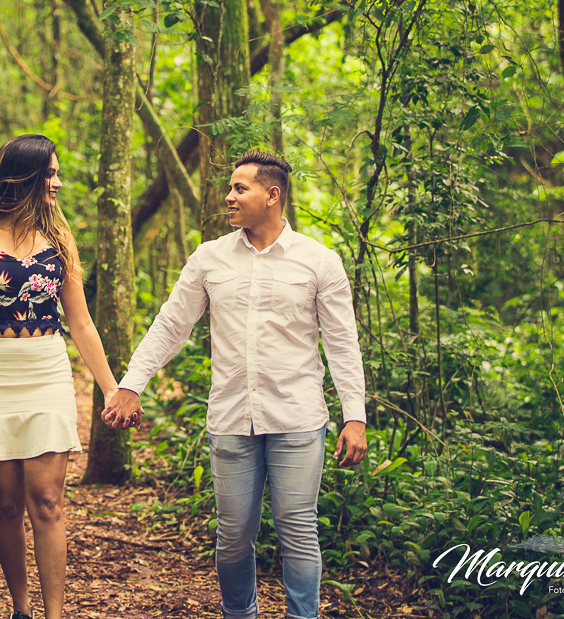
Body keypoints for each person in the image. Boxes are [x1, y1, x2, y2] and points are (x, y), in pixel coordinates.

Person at [103, 149, 368, 619]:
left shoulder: (318, 261)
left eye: (239, 188)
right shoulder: (209, 258)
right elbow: (170, 325)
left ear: (272, 195)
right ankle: (239, 614)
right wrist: (132, 383)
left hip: (298, 418)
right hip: (231, 418)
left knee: (298, 530)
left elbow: (343, 343)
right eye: (229, 188)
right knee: (232, 538)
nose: (228, 197)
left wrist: (355, 417)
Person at [0, 134, 120, 619]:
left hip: (46, 369)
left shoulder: (60, 240)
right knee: (6, 503)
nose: (57, 183)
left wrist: (111, 388)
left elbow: (80, 322)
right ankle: (20, 608)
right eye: (51, 174)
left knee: (47, 500)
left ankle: (54, 614)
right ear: (24, 178)